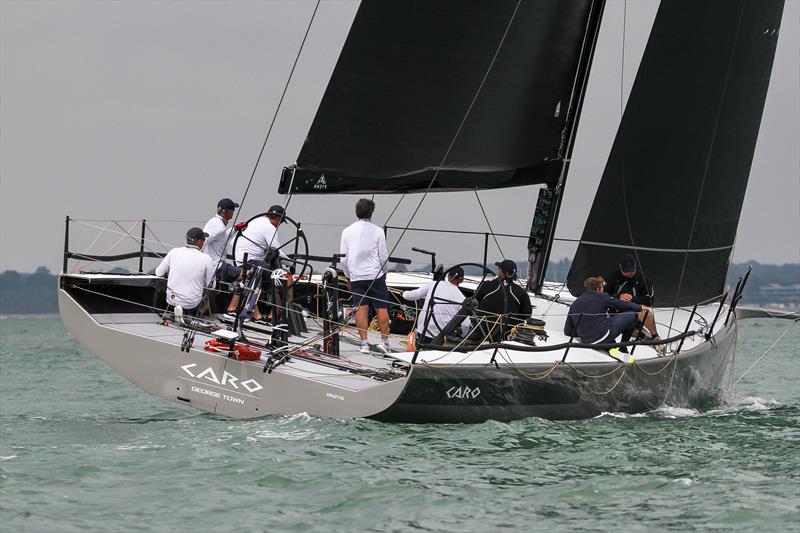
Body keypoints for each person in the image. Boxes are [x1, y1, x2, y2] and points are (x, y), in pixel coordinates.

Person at [340, 198, 391, 354]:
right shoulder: (378, 231)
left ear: (356, 212)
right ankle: (385, 342)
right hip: (375, 274)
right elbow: (383, 257)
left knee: (361, 308)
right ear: (372, 212)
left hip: (356, 275)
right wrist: (385, 272)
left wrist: (349, 277)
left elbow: (344, 259)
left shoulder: (347, 231)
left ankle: (364, 344)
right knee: (381, 307)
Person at [564, 276, 665, 355]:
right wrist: (639, 308)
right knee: (633, 314)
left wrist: (586, 334)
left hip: (586, 341)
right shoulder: (602, 296)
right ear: (599, 289)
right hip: (602, 336)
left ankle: (610, 345)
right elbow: (620, 303)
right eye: (602, 287)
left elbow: (568, 331)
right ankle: (623, 348)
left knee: (606, 322)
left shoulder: (575, 304)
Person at [230, 204, 291, 322]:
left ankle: (256, 314)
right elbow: (277, 251)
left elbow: (233, 242)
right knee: (285, 278)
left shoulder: (255, 221)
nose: (279, 225)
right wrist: (292, 264)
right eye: (281, 223)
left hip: (240, 263)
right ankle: (276, 315)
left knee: (254, 277)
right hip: (253, 264)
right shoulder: (270, 228)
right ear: (277, 220)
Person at [155, 227, 216, 316]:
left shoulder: (174, 252)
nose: (204, 242)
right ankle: (197, 315)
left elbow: (158, 272)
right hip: (191, 304)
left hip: (171, 300)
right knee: (208, 299)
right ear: (199, 241)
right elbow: (211, 286)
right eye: (203, 239)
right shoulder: (206, 259)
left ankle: (178, 312)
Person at [468, 259, 532, 343]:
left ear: (501, 272)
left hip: (480, 334)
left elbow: (472, 302)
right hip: (506, 336)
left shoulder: (487, 286)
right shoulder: (521, 292)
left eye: (499, 269)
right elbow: (526, 314)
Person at [402, 266, 470, 344]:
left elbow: (411, 295)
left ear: (448, 276)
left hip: (422, 333)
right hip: (440, 339)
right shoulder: (462, 298)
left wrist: (403, 293)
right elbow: (466, 325)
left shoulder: (433, 284)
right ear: (462, 280)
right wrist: (463, 335)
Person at [605, 253, 655, 346]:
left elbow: (650, 300)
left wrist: (633, 299)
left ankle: (655, 337)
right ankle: (641, 336)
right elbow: (602, 295)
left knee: (644, 311)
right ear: (620, 267)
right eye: (626, 271)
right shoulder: (612, 276)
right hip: (616, 309)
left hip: (634, 308)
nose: (629, 273)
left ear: (635, 266)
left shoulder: (643, 280)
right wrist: (618, 297)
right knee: (626, 321)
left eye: (631, 271)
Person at [202, 198, 242, 315]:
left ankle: (229, 306)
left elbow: (222, 238)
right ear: (228, 212)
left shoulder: (218, 223)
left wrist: (235, 229)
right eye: (232, 210)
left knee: (240, 276)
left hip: (217, 264)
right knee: (248, 275)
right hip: (217, 266)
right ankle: (232, 309)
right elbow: (204, 240)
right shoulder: (218, 226)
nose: (233, 213)